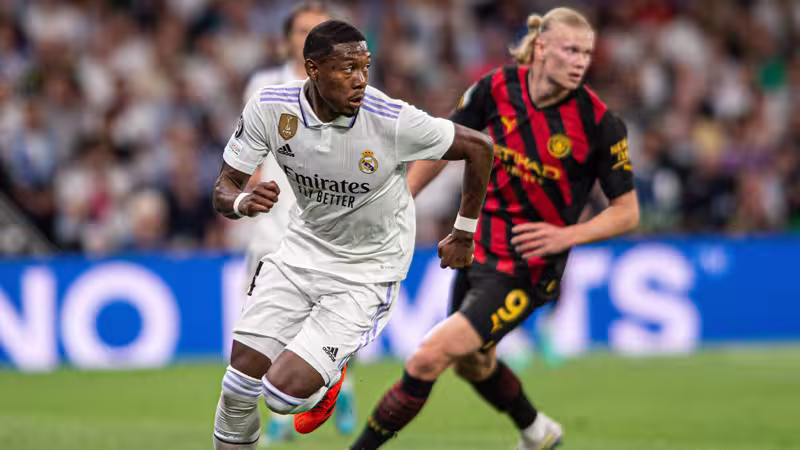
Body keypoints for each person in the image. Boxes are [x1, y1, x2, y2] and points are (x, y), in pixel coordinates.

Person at [349, 8, 640, 450]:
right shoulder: (498, 87)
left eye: (586, 53)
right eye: (570, 50)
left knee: (428, 357)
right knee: (474, 365)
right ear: (541, 48)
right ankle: (538, 432)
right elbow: (443, 143)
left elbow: (627, 212)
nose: (581, 61)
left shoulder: (599, 123)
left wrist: (567, 236)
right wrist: (399, 200)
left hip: (528, 267)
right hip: (477, 248)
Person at [211, 20, 494, 450]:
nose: (361, 79)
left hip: (367, 270)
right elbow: (224, 187)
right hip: (301, 252)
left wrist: (464, 232)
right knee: (237, 387)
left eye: (365, 67)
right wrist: (240, 202)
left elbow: (479, 147)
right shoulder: (270, 107)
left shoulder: (390, 119)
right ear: (312, 69)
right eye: (347, 69)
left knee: (281, 396)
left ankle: (331, 377)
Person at [237, 2, 352, 444]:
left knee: (332, 317)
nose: (309, 37)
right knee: (266, 325)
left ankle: (339, 387)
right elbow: (247, 145)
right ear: (286, 39)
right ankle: (283, 416)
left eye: (318, 29)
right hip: (272, 226)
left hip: (325, 227)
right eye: (302, 29)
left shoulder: (347, 85)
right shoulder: (263, 86)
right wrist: (244, 188)